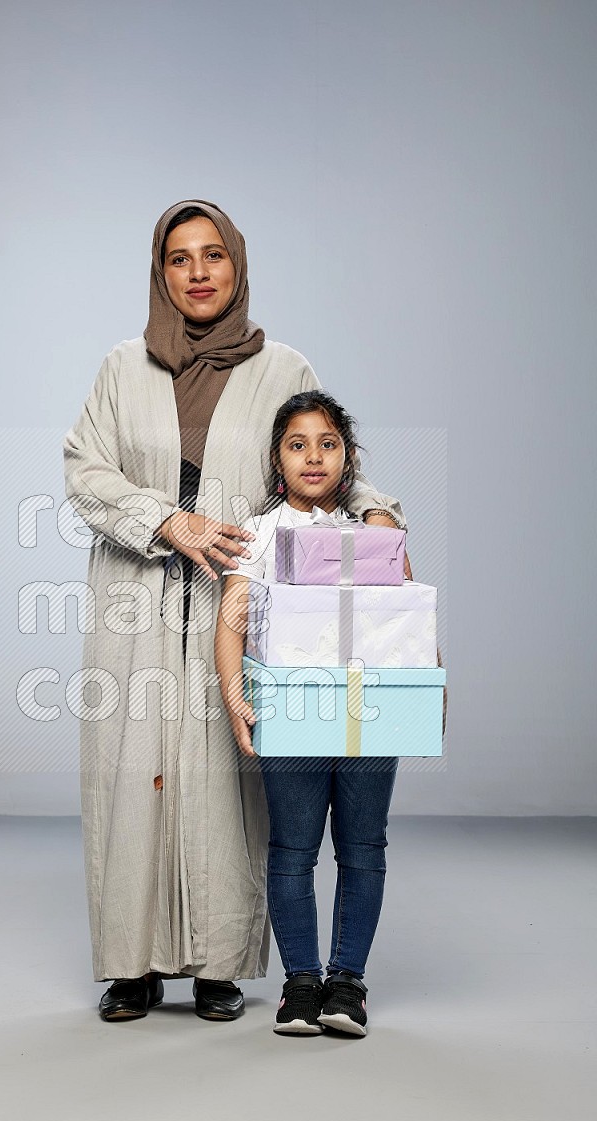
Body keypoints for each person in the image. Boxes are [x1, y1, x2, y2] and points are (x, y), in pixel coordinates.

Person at [63, 200, 406, 1022]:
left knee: (227, 782)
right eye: (179, 259)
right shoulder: (123, 366)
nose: (198, 272)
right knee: (132, 776)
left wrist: (381, 509)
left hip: (243, 598)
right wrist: (164, 519)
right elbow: (85, 469)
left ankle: (219, 965)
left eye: (213, 255)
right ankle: (132, 967)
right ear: (162, 274)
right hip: (137, 598)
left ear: (237, 265)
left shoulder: (282, 365)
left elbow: (321, 456)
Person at [215, 389, 438, 1036]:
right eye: (297, 444)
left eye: (328, 443)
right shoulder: (258, 533)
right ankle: (300, 986)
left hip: (371, 710)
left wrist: (431, 685)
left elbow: (408, 611)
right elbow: (232, 621)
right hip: (294, 713)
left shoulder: (375, 528)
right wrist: (236, 694)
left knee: (364, 846)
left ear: (348, 456)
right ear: (277, 460)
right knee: (292, 848)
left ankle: (348, 984)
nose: (314, 457)